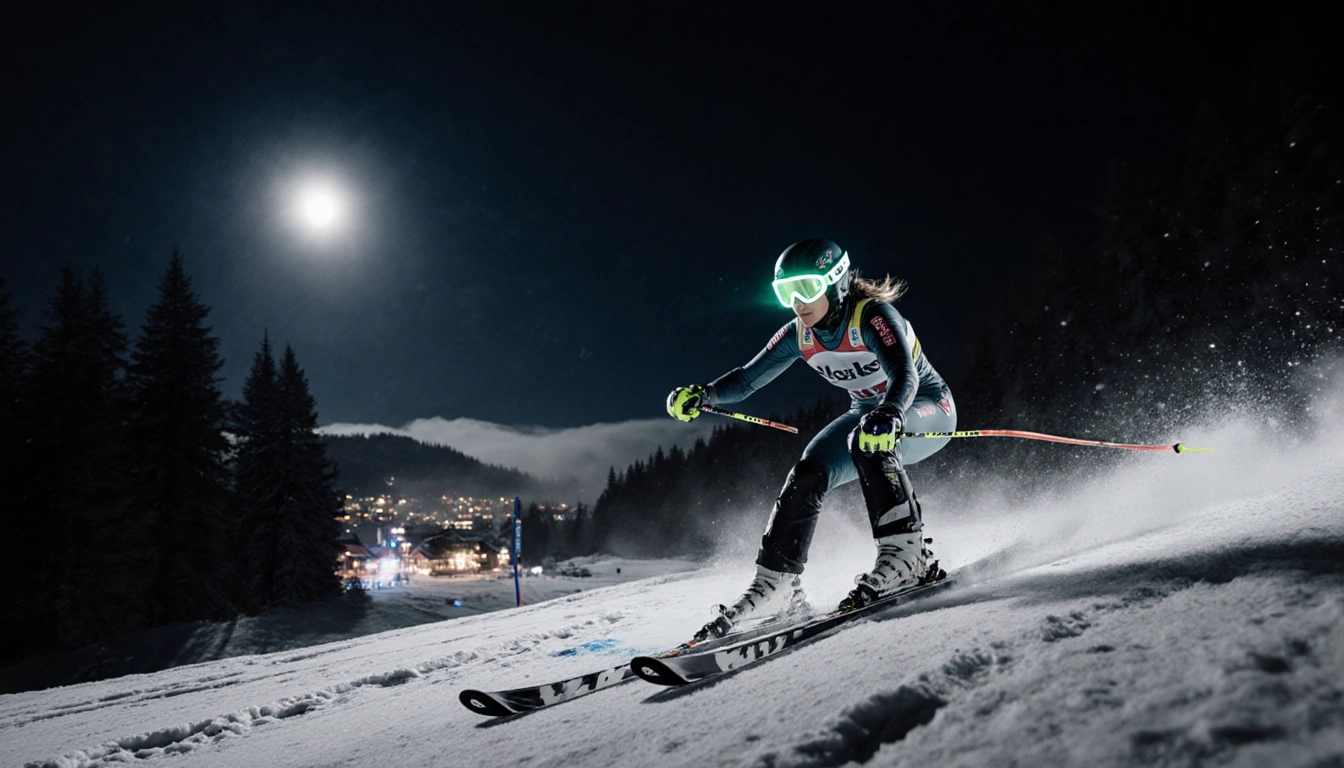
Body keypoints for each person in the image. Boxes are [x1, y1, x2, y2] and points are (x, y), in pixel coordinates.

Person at [666, 239, 956, 638]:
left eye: (806, 288)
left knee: (865, 439)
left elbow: (904, 374)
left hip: (923, 407)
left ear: (836, 284)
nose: (797, 302)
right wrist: (706, 393)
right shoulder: (799, 334)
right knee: (808, 473)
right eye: (785, 292)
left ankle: (908, 557)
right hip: (865, 417)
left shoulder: (871, 318)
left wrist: (889, 412)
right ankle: (778, 584)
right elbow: (748, 378)